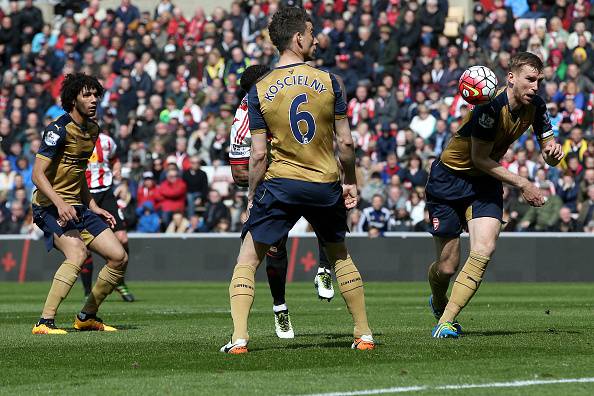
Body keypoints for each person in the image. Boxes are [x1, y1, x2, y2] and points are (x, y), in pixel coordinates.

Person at [221, 7, 374, 354]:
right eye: (311, 32)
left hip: (280, 184)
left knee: (248, 258)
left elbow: (258, 155)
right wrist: (350, 181)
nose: (316, 38)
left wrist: (251, 195)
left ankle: (240, 338)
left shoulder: (259, 90)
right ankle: (363, 333)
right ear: (297, 38)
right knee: (339, 255)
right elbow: (346, 143)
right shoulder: (331, 81)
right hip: (324, 183)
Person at [425, 52, 564, 338]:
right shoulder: (488, 107)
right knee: (447, 266)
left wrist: (552, 155)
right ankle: (438, 300)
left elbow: (548, 149)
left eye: (538, 80)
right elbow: (479, 158)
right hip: (449, 179)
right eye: (530, 79)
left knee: (483, 250)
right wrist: (523, 183)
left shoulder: (536, 106)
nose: (535, 86)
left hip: (485, 183)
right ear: (511, 78)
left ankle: (446, 322)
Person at [228, 64, 335, 339]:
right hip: (274, 186)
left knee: (328, 212)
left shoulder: (288, 96)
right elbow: (240, 173)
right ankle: (280, 308)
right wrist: (268, 176)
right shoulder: (243, 120)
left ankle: (324, 268)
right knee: (274, 251)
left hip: (306, 173)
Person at [31, 73, 128, 334]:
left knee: (119, 257)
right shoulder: (57, 129)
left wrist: (93, 205)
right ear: (73, 99)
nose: (94, 99)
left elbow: (77, 173)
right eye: (87, 95)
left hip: (78, 207)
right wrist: (60, 204)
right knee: (77, 253)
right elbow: (37, 175)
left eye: (96, 94)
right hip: (48, 206)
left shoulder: (93, 130)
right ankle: (44, 321)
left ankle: (87, 316)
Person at [81, 128, 136, 302]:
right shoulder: (75, 140)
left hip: (105, 193)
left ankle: (119, 279)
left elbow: (114, 159)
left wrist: (117, 169)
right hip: (84, 195)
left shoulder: (107, 141)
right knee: (85, 248)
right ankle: (87, 291)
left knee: (123, 238)